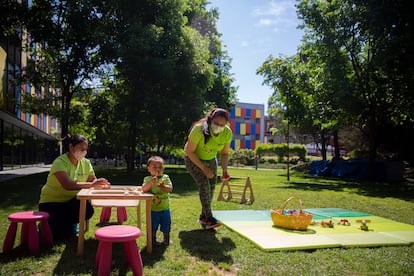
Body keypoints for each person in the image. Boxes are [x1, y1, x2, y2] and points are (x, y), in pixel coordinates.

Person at [39, 134, 110, 240]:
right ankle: (52, 224)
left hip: (72, 201)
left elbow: (92, 180)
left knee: (88, 210)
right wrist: (92, 185)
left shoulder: (86, 163)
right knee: (58, 236)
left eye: (85, 149)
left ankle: (67, 224)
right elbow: (67, 185)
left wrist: (100, 184)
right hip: (52, 203)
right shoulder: (60, 162)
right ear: (71, 147)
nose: (84, 152)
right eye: (81, 148)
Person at [184, 107, 232, 229]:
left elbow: (224, 153)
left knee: (211, 189)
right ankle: (210, 219)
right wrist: (204, 168)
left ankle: (203, 217)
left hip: (211, 159)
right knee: (204, 185)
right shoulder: (199, 130)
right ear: (210, 120)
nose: (219, 126)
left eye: (222, 124)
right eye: (216, 123)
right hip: (193, 159)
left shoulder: (227, 133)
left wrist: (225, 170)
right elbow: (190, 151)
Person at [141, 156, 173, 245]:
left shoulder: (165, 178)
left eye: (160, 167)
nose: (157, 169)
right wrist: (151, 183)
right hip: (152, 209)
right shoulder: (147, 179)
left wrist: (163, 186)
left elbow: (170, 189)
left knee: (166, 224)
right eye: (154, 167)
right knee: (153, 226)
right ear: (148, 169)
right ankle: (152, 240)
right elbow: (143, 189)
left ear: (163, 168)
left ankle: (166, 239)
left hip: (165, 208)